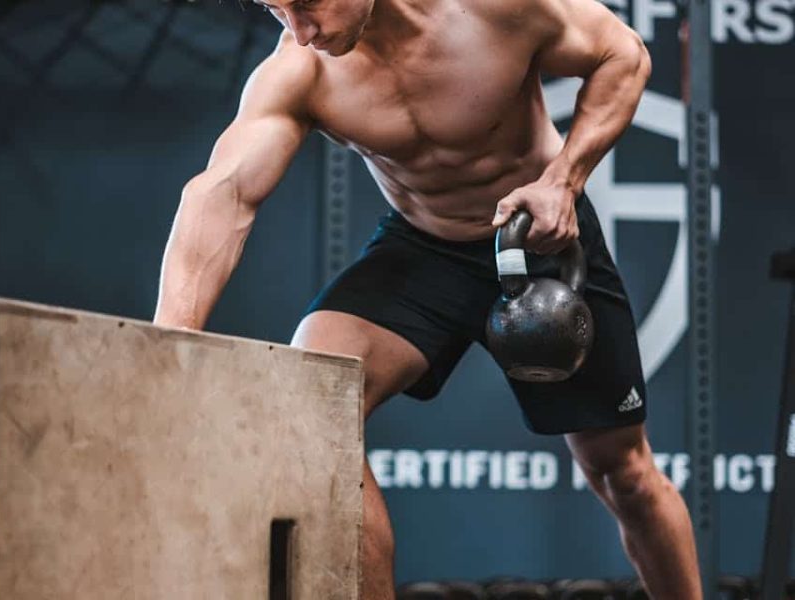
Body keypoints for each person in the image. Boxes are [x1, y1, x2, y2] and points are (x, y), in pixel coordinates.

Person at [153, 0, 701, 597]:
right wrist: (169, 347)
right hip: (424, 246)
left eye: (306, 6)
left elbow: (622, 53)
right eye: (276, 11)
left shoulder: (493, 10)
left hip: (537, 236)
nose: (300, 32)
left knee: (624, 474)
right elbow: (223, 194)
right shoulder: (299, 71)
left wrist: (563, 180)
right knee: (311, 399)